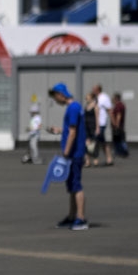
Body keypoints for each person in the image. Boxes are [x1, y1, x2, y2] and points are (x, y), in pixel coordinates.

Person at [47, 83, 88, 230]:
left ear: (61, 94)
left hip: (74, 154)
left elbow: (73, 132)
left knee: (76, 185)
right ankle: (72, 216)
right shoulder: (75, 107)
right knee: (71, 185)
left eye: (55, 97)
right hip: (74, 152)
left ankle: (81, 218)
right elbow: (70, 130)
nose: (56, 100)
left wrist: (66, 152)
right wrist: (59, 130)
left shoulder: (73, 108)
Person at [93, 85, 114, 166]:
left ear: (98, 89)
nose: (93, 90)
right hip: (94, 123)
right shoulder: (95, 98)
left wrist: (112, 121)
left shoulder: (104, 97)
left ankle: (103, 158)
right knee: (100, 141)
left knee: (99, 141)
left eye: (94, 89)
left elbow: (109, 109)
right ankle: (107, 158)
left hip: (101, 123)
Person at [83, 92, 100, 168]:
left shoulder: (95, 107)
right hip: (86, 126)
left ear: (92, 98)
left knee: (94, 143)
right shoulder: (86, 107)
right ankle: (87, 161)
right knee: (86, 143)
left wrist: (97, 128)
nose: (86, 98)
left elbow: (97, 118)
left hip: (93, 126)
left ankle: (95, 159)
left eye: (88, 97)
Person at [111, 92, 129, 158]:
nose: (112, 99)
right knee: (119, 139)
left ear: (116, 99)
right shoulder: (120, 105)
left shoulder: (118, 106)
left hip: (118, 126)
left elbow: (119, 115)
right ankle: (119, 151)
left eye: (113, 98)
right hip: (119, 125)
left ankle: (124, 151)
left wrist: (117, 125)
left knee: (120, 139)